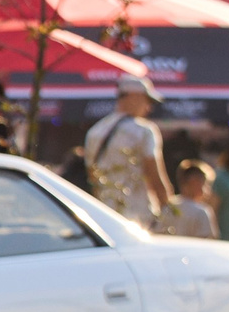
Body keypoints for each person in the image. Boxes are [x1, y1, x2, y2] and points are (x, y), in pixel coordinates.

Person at [83, 75, 172, 229]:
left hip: (104, 217)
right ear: (134, 97)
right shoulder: (144, 130)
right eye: (147, 101)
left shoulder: (95, 131)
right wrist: (168, 210)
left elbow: (93, 176)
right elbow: (154, 175)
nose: (149, 108)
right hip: (139, 216)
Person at [161, 160, 219, 238]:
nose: (208, 189)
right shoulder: (202, 211)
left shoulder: (167, 206)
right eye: (205, 183)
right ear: (194, 182)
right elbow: (207, 240)